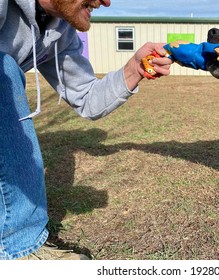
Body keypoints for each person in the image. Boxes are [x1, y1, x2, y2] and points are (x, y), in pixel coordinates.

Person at [0, 0, 172, 260]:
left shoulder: (60, 32)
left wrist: (133, 70)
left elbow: (87, 98)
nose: (105, 1)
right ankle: (18, 249)